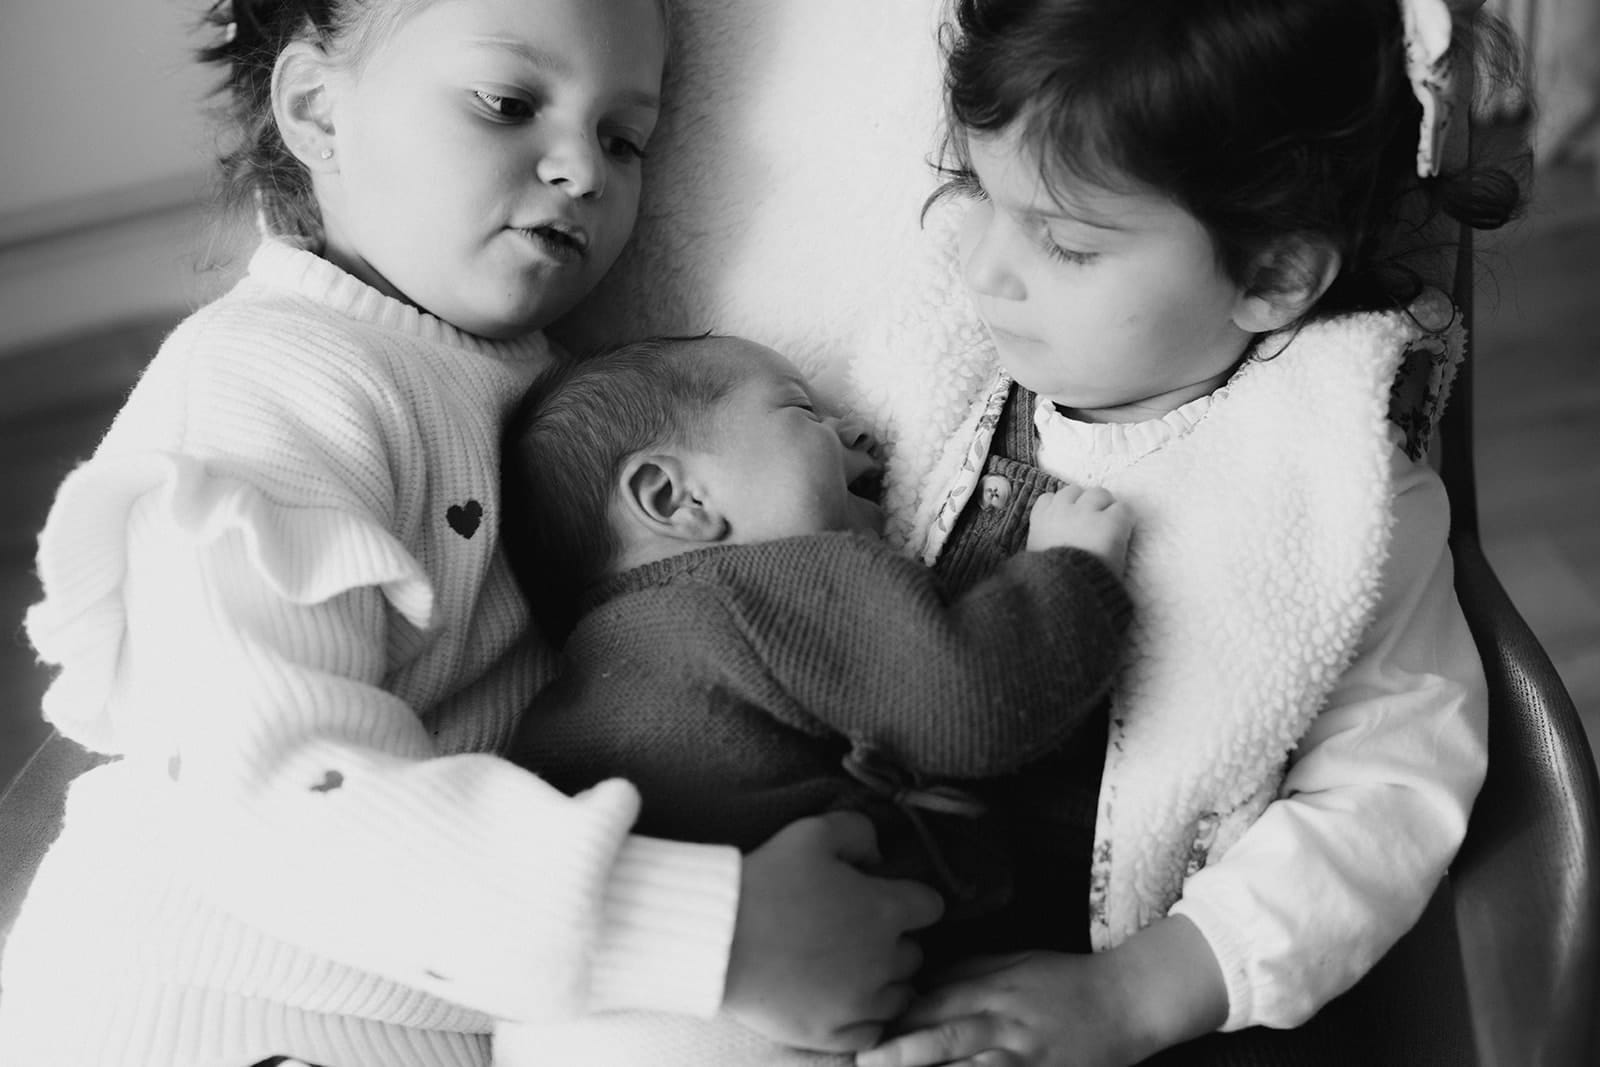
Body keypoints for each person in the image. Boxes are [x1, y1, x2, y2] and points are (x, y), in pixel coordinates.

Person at [0, 1, 946, 1065]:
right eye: (508, 104)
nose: (581, 171)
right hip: (221, 1005)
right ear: (317, 109)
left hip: (472, 1007)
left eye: (623, 138)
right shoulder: (272, 379)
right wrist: (711, 928)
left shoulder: (558, 384)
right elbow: (267, 784)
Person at [848, 0, 1526, 1064]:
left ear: (1269, 276)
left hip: (1130, 992)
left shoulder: (1333, 491)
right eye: (977, 189)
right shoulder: (931, 368)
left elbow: (1388, 793)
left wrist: (1141, 991)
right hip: (846, 929)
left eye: (1065, 243)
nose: (981, 267)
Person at [499, 333, 1133, 926]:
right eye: (802, 411)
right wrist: (1070, 572)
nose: (856, 430)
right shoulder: (762, 590)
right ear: (677, 500)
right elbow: (973, 699)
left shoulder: (571, 703)